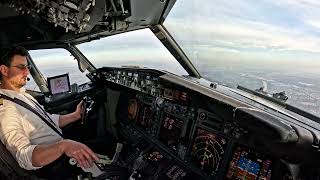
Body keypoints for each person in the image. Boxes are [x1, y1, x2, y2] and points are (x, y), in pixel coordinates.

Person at [0, 46, 98, 178]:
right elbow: (23, 156)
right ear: (4, 70)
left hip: (59, 150)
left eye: (27, 67)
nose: (27, 72)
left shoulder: (22, 94)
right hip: (54, 166)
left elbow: (48, 120)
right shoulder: (6, 109)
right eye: (21, 67)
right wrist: (63, 146)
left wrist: (75, 115)